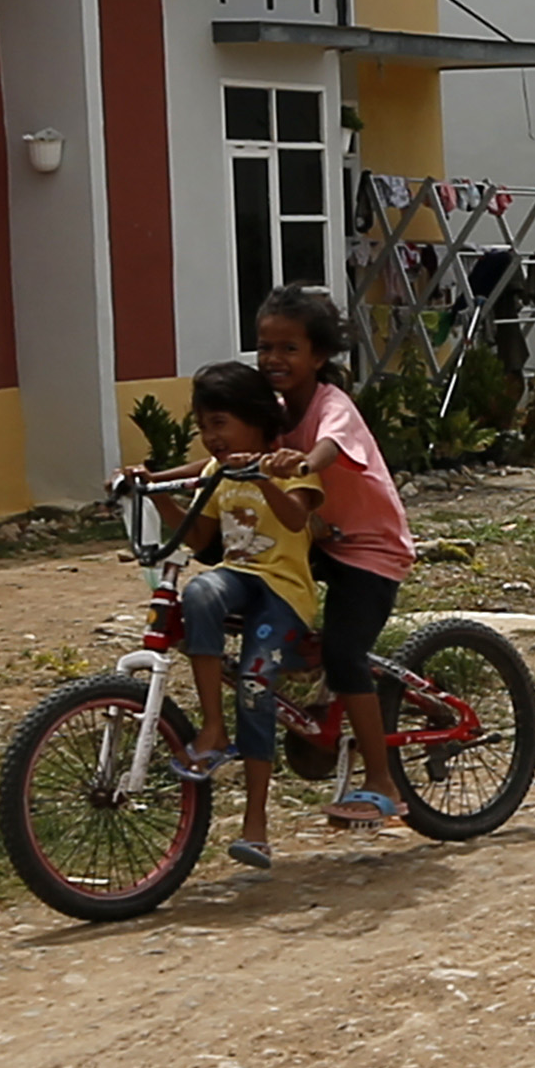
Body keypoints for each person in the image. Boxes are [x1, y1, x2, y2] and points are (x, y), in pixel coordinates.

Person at [251, 284, 418, 833]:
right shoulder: (273, 413)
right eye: (265, 346)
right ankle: (324, 702)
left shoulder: (332, 406)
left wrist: (300, 461)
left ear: (318, 356)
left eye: (288, 348)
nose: (273, 359)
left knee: (347, 653)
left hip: (368, 550)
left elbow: (327, 450)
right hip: (318, 541)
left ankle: (383, 784)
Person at [147, 359, 320, 870]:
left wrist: (262, 477)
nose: (209, 437)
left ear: (255, 420)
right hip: (238, 579)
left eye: (219, 423)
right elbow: (201, 540)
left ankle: (257, 822)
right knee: (198, 593)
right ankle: (214, 730)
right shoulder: (215, 473)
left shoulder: (293, 466)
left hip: (284, 592)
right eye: (203, 427)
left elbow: (295, 517)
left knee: (254, 680)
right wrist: (158, 497)